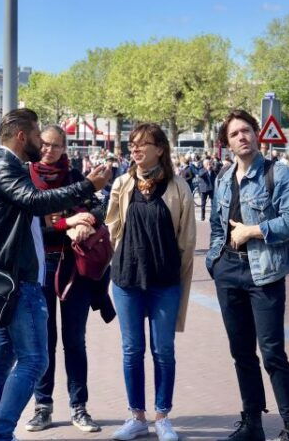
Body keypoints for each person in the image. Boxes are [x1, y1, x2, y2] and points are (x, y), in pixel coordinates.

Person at [0, 109, 110, 441]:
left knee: (3, 356)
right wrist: (86, 189)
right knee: (35, 359)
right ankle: (0, 432)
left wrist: (85, 214)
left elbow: (47, 208)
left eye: (54, 144)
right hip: (18, 280)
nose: (44, 145)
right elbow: (36, 202)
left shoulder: (3, 167)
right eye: (39, 136)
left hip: (18, 276)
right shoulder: (8, 168)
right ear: (23, 136)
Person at [206, 110, 289, 441]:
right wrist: (214, 262)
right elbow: (218, 228)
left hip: (264, 272)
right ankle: (252, 423)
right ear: (227, 142)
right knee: (241, 351)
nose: (242, 137)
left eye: (246, 130)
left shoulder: (279, 174)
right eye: (234, 134)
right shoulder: (222, 178)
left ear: (257, 134)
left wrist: (254, 230)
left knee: (273, 352)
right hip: (228, 271)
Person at [105, 123, 196, 441]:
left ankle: (162, 416)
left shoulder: (178, 187)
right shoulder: (122, 183)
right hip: (127, 280)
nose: (135, 149)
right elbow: (112, 229)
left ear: (160, 149)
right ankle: (136, 417)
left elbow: (186, 240)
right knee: (132, 350)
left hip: (164, 282)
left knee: (163, 351)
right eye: (132, 144)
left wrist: (180, 278)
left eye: (143, 143)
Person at [25, 125, 114, 434]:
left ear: (65, 148)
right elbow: (35, 225)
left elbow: (99, 207)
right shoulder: (27, 178)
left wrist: (86, 220)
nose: (50, 150)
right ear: (38, 145)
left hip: (73, 267)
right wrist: (67, 222)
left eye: (57, 145)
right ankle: (43, 406)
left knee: (75, 339)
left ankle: (79, 406)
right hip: (39, 267)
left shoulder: (76, 178)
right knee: (44, 340)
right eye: (46, 144)